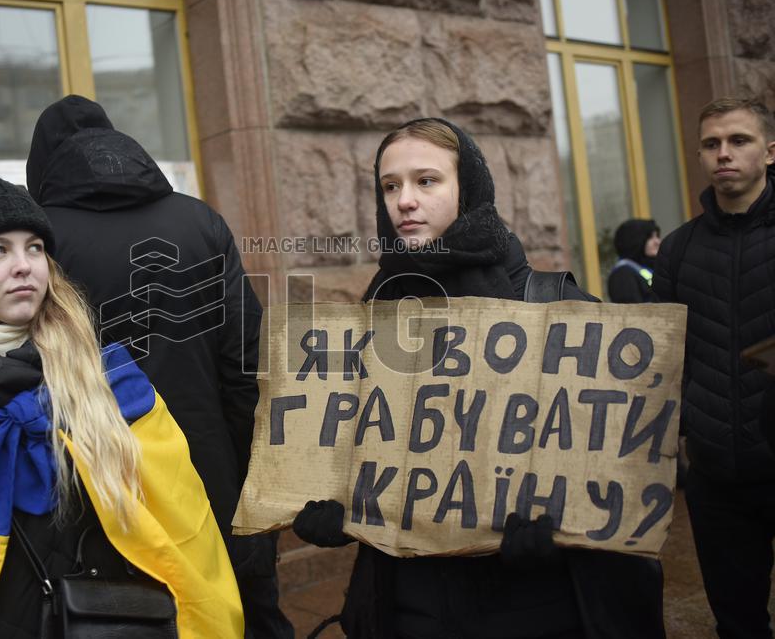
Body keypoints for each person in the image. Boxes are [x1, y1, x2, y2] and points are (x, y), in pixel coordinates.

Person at [292, 118, 665, 639]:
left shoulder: (555, 308)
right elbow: (360, 444)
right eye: (391, 186)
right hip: (409, 608)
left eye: (427, 180)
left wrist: (564, 527)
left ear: (468, 188)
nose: (404, 201)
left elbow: (616, 456)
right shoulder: (375, 312)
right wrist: (339, 508)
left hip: (534, 609)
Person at [0, 176, 243, 638]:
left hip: (107, 621)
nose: (24, 266)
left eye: (35, 248)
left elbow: (182, 519)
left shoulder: (108, 379)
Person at [25, 96, 291, 638]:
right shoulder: (200, 221)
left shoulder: (37, 245)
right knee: (245, 616)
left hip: (103, 494)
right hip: (212, 478)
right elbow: (249, 369)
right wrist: (256, 488)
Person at [652, 97, 775, 638]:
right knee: (738, 624)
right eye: (711, 143)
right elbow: (663, 356)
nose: (724, 153)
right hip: (716, 477)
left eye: (739, 140)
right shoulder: (677, 249)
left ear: (769, 152)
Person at [607, 218, 660, 303]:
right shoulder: (623, 274)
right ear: (634, 240)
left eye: (657, 236)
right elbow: (631, 309)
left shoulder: (652, 267)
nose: (657, 242)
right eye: (650, 237)